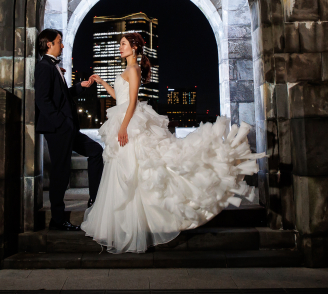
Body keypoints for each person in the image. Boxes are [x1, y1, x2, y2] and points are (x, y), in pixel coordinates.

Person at [80, 32, 264, 253]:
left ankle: (138, 224)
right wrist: (101, 82)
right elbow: (120, 99)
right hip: (123, 120)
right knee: (126, 172)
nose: (120, 47)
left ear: (134, 48)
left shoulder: (134, 70)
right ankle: (126, 223)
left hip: (129, 124)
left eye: (123, 44)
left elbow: (132, 103)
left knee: (138, 171)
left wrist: (123, 127)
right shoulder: (126, 71)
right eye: (120, 44)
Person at [34, 29, 104, 231]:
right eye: (59, 42)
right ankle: (57, 220)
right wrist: (61, 123)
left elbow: (63, 96)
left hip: (68, 128)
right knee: (60, 174)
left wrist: (80, 86)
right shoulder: (44, 67)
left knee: (96, 151)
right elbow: (42, 101)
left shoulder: (54, 67)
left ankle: (94, 200)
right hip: (59, 130)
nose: (62, 45)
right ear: (49, 44)